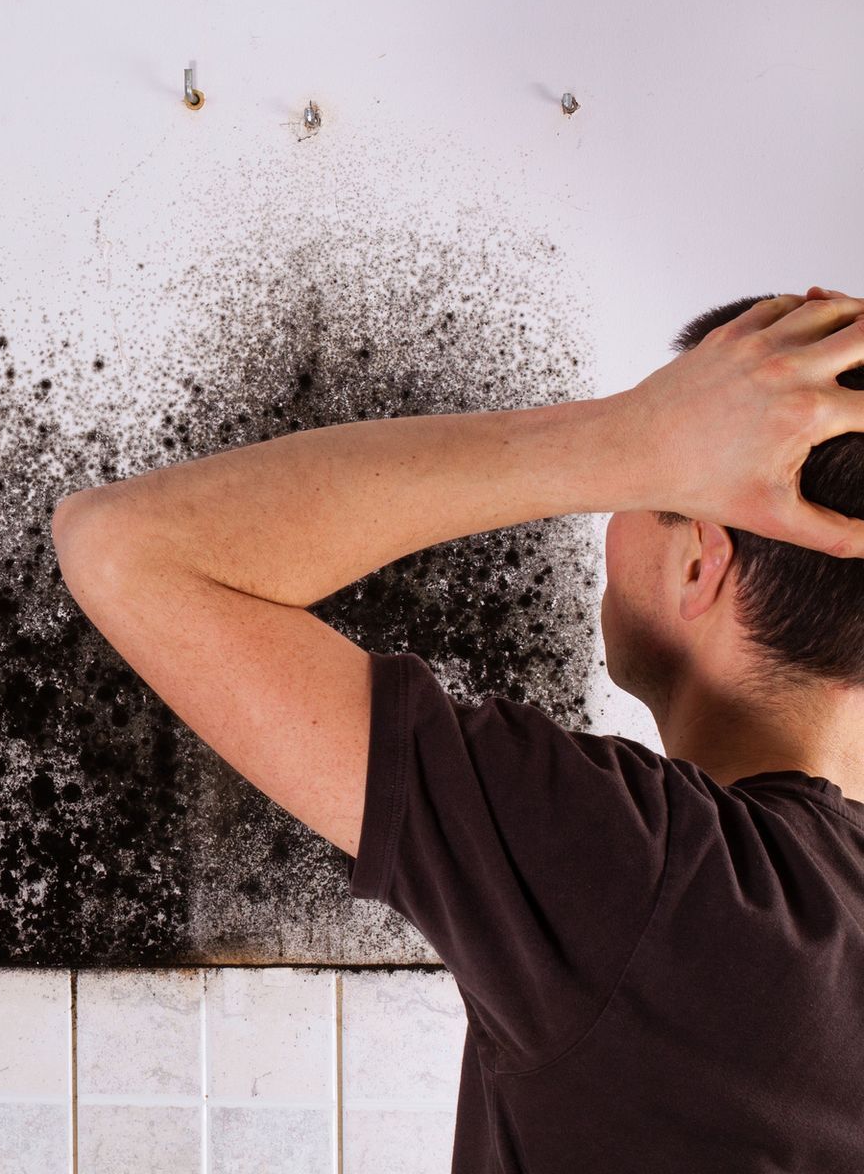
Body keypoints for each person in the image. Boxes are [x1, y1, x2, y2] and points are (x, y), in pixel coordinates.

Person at [53, 287, 864, 1171]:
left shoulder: (656, 877)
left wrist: (631, 437)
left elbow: (126, 545)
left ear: (702, 560)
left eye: (654, 489)